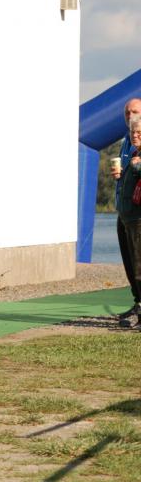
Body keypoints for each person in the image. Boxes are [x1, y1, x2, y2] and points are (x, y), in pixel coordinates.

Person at [112, 98, 141, 327]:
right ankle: (137, 302)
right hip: (124, 212)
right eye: (127, 112)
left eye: (135, 112)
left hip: (138, 215)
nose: (130, 116)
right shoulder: (126, 140)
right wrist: (120, 175)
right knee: (130, 262)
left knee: (139, 264)